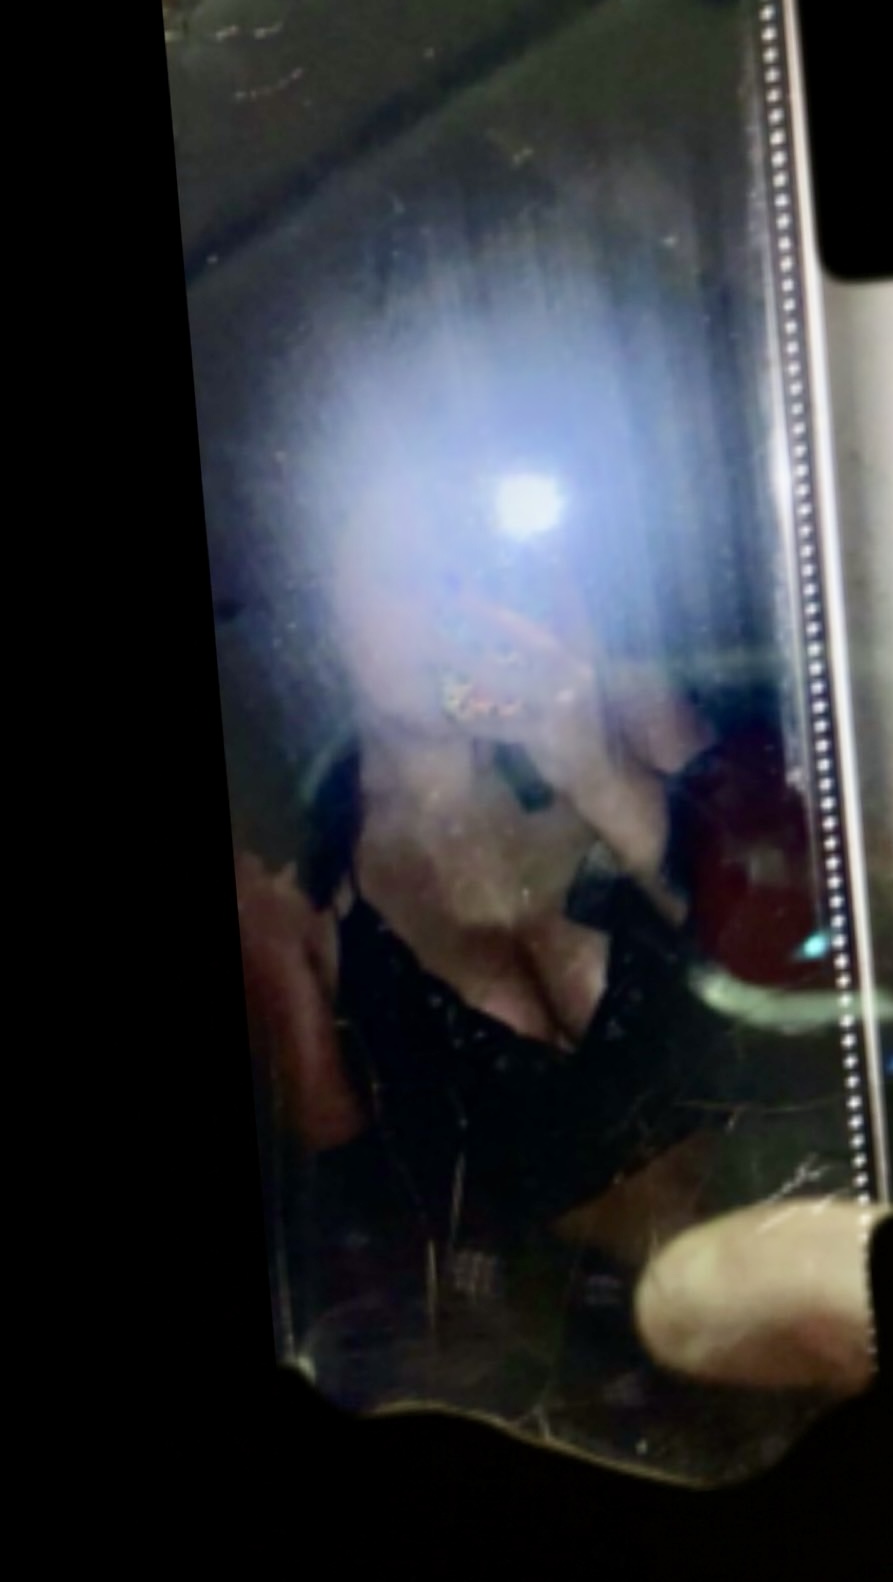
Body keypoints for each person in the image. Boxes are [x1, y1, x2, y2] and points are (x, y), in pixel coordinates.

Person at [238, 460, 859, 1427]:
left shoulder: (622, 712)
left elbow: (829, 957)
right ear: (324, 622)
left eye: (463, 564)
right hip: (610, 1387)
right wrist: (281, 981)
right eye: (404, 574)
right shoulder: (311, 896)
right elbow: (363, 1250)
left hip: (829, 1262)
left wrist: (599, 776)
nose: (448, 601)